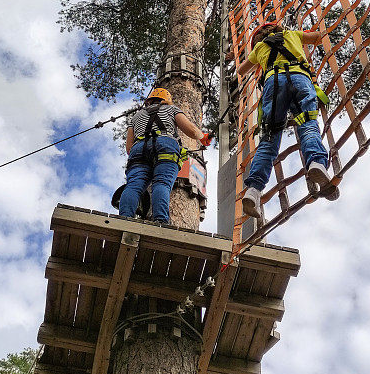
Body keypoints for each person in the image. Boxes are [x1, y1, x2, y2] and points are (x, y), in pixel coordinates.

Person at [235, 22, 335, 219]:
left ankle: (253, 191)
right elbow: (317, 36)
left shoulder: (259, 48)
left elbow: (241, 70)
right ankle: (317, 163)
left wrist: (257, 59)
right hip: (300, 77)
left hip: (273, 81)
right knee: (307, 124)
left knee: (269, 139)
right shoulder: (292, 34)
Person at [119, 87, 212, 223]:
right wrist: (202, 137)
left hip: (139, 149)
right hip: (165, 144)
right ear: (166, 100)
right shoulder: (171, 109)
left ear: (149, 101)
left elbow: (129, 148)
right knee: (161, 183)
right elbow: (191, 130)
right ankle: (161, 221)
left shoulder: (135, 117)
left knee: (133, 186)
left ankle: (124, 218)